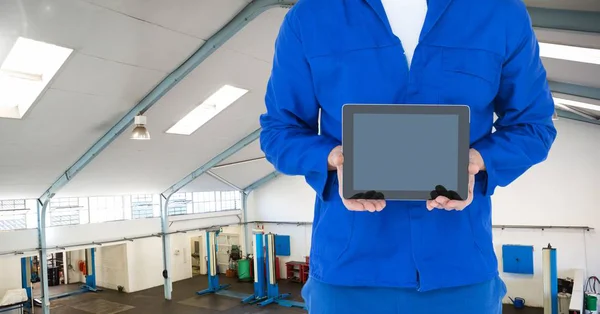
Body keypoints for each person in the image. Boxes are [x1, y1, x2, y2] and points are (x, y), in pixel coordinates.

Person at [259, 0, 557, 312]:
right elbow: (279, 131)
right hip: (348, 273)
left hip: (458, 272)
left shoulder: (500, 13)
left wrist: (478, 161)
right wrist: (332, 157)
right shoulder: (310, 17)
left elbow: (533, 126)